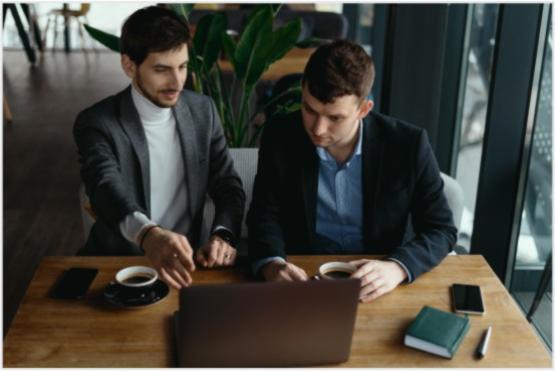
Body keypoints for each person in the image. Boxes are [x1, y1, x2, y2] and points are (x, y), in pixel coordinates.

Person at [247, 40, 457, 302]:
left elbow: (441, 230)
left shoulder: (408, 145)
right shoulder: (280, 136)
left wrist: (397, 268)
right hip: (304, 281)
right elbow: (264, 216)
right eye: (310, 110)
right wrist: (272, 264)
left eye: (335, 118)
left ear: (363, 109)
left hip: (382, 284)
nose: (318, 129)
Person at [73, 6, 245, 290]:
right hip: (118, 267)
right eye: (162, 69)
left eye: (182, 66)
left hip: (189, 267)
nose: (177, 82)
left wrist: (222, 235)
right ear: (129, 66)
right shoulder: (97, 122)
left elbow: (227, 184)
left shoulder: (203, 111)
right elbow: (105, 188)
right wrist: (149, 236)